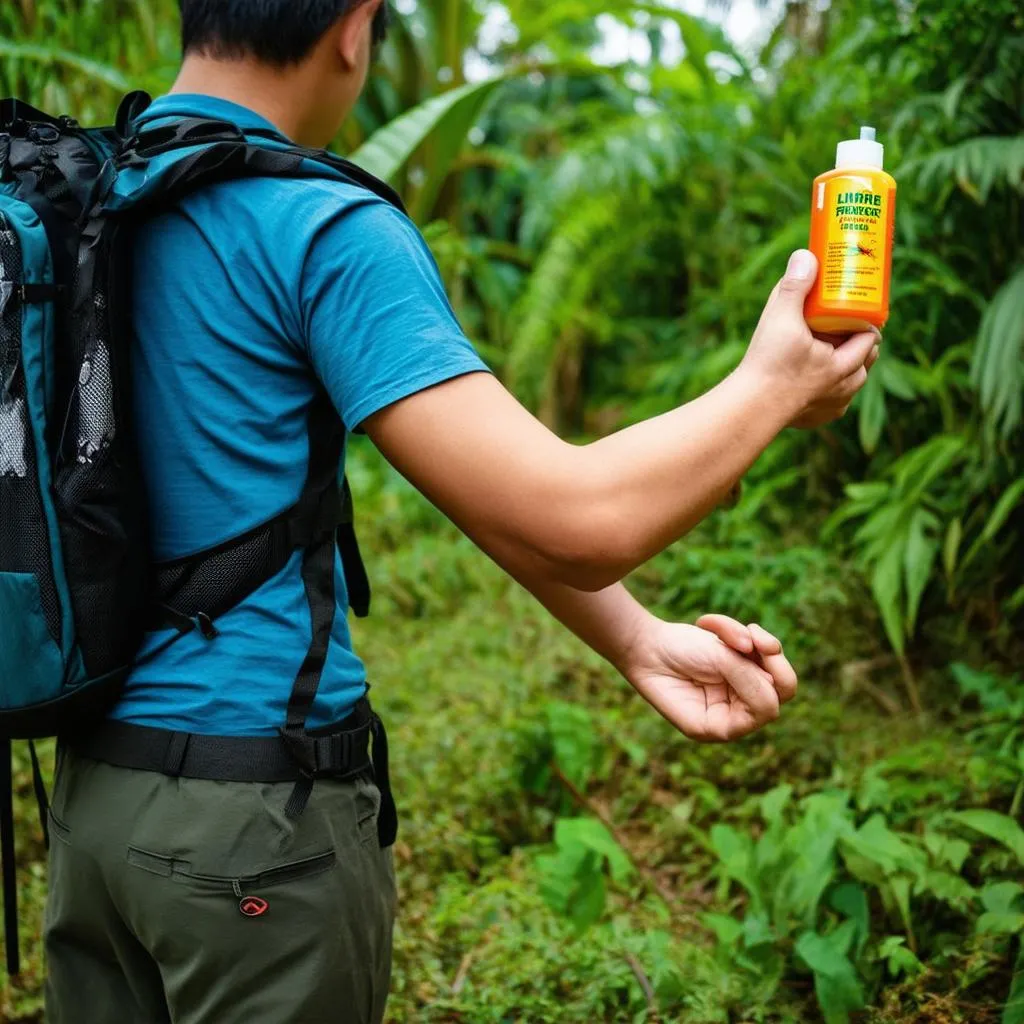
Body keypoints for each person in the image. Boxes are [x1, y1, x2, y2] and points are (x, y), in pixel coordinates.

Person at [41, 1, 881, 1021]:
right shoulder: (318, 224)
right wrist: (771, 387)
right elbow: (573, 515)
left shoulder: (82, 201)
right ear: (354, 28)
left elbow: (490, 500)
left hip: (90, 803)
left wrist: (637, 640)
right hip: (255, 825)